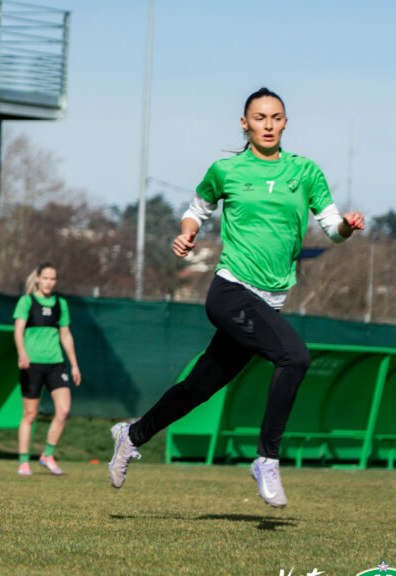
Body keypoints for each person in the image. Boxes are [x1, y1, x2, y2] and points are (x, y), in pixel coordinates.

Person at [108, 87, 366, 507]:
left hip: (269, 301)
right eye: (260, 118)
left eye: (276, 117)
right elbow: (197, 208)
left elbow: (332, 227)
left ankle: (132, 435)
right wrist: (188, 233)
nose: (268, 124)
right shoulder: (226, 170)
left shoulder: (305, 172)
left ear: (286, 123)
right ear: (244, 124)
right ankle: (266, 458)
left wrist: (348, 227)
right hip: (230, 291)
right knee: (295, 357)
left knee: (200, 386)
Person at [12, 263, 80, 476]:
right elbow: (18, 329)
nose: (49, 282)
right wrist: (22, 352)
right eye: (46, 278)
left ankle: (47, 455)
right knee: (30, 414)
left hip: (56, 363)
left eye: (53, 278)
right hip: (32, 364)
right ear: (38, 278)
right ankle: (24, 462)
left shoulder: (61, 304)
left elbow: (66, 335)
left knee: (64, 410)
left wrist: (74, 365)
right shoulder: (26, 302)